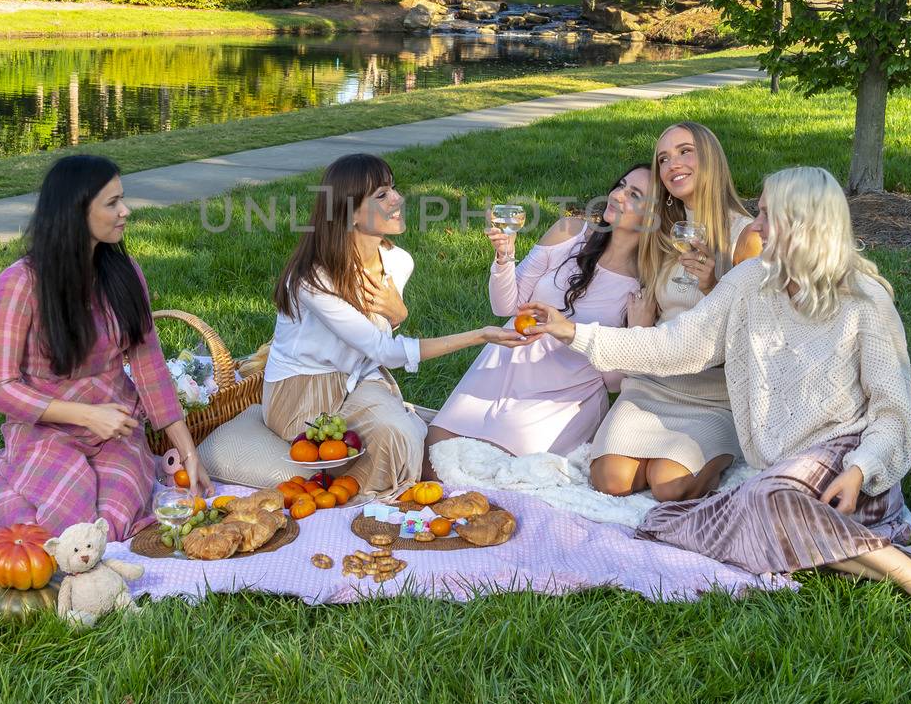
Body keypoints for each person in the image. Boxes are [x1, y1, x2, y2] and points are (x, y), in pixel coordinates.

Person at [519, 166, 911, 631]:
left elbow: (891, 414)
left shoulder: (867, 301)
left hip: (848, 464)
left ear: (802, 224)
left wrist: (861, 469)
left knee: (761, 503)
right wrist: (574, 332)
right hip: (781, 471)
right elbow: (676, 345)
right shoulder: (752, 281)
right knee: (673, 522)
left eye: (767, 215)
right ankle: (894, 559)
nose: (756, 227)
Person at [0, 155, 212, 543]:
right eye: (112, 203)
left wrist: (189, 452)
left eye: (121, 199)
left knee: (109, 530)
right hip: (46, 430)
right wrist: (88, 415)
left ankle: (25, 481)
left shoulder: (125, 274)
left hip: (115, 431)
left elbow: (150, 368)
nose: (125, 211)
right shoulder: (20, 284)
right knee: (66, 533)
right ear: (76, 212)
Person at [261, 153, 524, 497]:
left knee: (408, 437)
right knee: (401, 437)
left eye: (394, 189)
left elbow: (377, 337)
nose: (398, 199)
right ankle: (343, 498)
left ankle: (359, 477)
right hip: (302, 392)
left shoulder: (398, 262)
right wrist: (481, 335)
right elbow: (384, 350)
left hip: (360, 379)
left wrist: (398, 316)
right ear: (349, 213)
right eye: (382, 195)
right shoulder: (313, 279)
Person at [424, 165, 651, 469]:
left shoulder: (645, 283)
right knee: (436, 457)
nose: (617, 195)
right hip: (508, 360)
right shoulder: (570, 231)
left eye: (633, 194)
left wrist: (637, 330)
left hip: (567, 392)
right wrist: (505, 257)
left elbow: (612, 383)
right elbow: (506, 306)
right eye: (621, 185)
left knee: (501, 474)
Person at [588, 122, 758, 501]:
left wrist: (715, 287)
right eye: (663, 158)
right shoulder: (662, 232)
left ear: (710, 157)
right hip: (652, 384)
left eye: (684, 151)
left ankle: (722, 456)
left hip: (712, 393)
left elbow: (758, 333)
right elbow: (604, 240)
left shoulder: (746, 236)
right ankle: (656, 455)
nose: (672, 164)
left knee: (669, 484)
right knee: (610, 480)